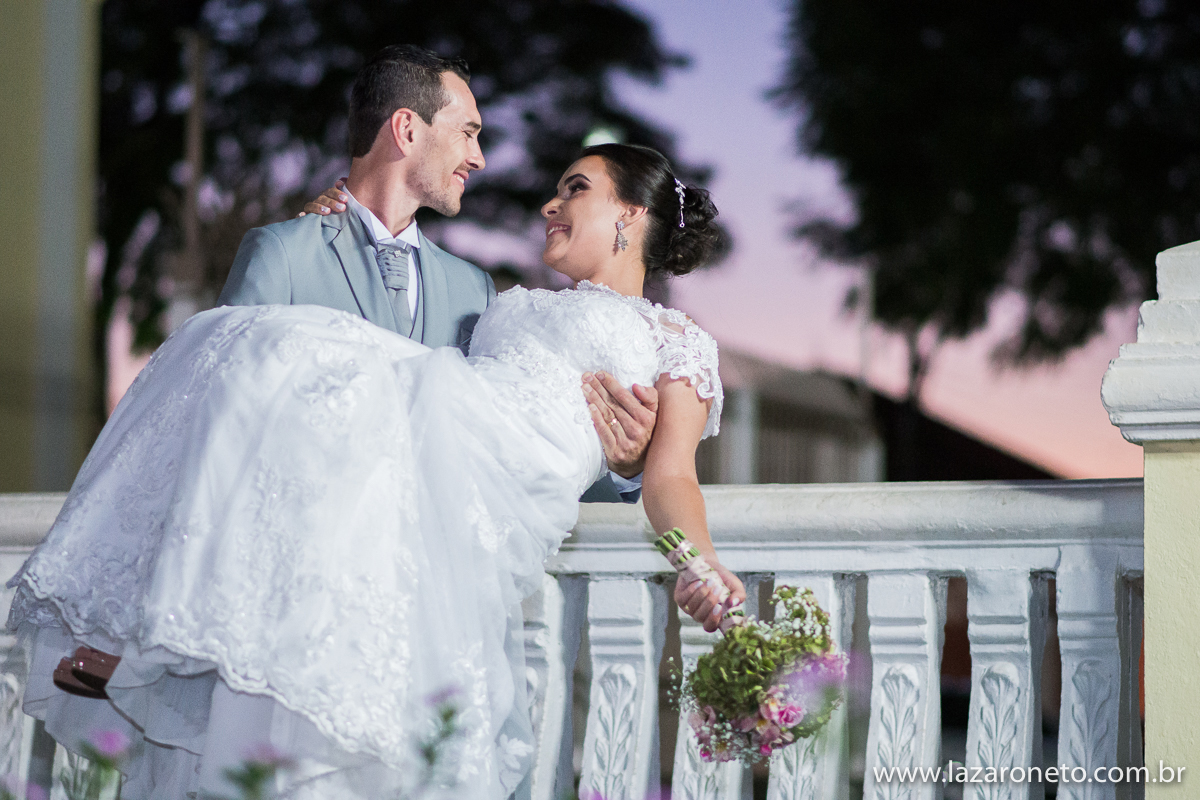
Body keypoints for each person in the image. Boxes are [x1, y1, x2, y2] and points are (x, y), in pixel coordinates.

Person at [7, 144, 743, 799]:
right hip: (441, 438)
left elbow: (669, 475)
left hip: (484, 463)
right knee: (245, 347)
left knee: (280, 352)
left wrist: (697, 563)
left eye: (576, 188)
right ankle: (138, 630)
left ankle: (140, 641)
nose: (550, 203)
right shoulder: (510, 301)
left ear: (631, 214)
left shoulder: (674, 340)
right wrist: (320, 227)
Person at [219, 44, 654, 504]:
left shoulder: (473, 289)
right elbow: (224, 422)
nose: (479, 157)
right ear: (407, 129)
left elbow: (511, 450)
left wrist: (625, 471)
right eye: (467, 132)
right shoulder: (283, 254)